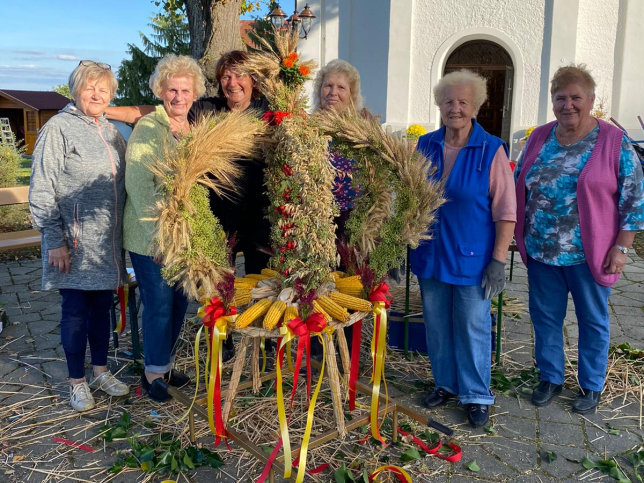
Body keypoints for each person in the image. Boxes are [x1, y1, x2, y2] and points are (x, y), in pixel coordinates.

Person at [107, 51, 271, 361]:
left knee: (259, 284)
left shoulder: (268, 114)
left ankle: (263, 346)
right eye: (225, 76)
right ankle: (221, 344)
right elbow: (157, 111)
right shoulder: (208, 109)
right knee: (217, 287)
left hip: (258, 218)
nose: (232, 82)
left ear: (253, 80)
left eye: (240, 75)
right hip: (216, 219)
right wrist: (103, 109)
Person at [514, 64, 644, 414]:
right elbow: (518, 181)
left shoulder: (614, 142)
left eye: (576, 97)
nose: (568, 105)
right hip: (542, 250)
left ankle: (591, 384)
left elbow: (634, 198)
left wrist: (622, 247)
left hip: (591, 253)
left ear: (591, 99)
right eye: (561, 98)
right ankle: (551, 377)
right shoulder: (538, 137)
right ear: (552, 101)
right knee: (544, 318)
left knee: (592, 319)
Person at [410, 69, 517, 427]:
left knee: (472, 325)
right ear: (439, 105)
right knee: (437, 325)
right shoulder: (424, 145)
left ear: (476, 107)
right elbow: (410, 201)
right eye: (448, 101)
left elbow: (505, 211)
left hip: (473, 258)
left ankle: (476, 395)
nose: (454, 108)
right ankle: (445, 383)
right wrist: (400, 245)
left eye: (462, 102)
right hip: (431, 254)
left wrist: (498, 261)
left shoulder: (490, 149)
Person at [29, 60, 129, 412]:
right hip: (71, 243)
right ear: (75, 91)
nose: (97, 94)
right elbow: (41, 188)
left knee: (102, 310)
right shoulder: (59, 128)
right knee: (75, 311)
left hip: (106, 246)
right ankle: (76, 382)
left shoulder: (113, 132)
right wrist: (54, 239)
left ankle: (100, 371)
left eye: (104, 89)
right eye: (90, 87)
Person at [124, 54, 206, 402]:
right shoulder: (148, 128)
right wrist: (157, 235)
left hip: (184, 236)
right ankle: (151, 373)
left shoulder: (193, 129)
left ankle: (165, 364)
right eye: (172, 89)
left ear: (195, 93)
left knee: (177, 303)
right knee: (158, 303)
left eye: (185, 90)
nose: (178, 96)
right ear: (161, 90)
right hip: (152, 237)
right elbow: (140, 187)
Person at [312, 59, 364, 238]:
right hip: (314, 218)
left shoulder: (363, 129)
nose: (333, 92)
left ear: (352, 94)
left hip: (353, 218)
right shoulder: (306, 127)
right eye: (328, 86)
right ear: (319, 91)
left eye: (341, 87)